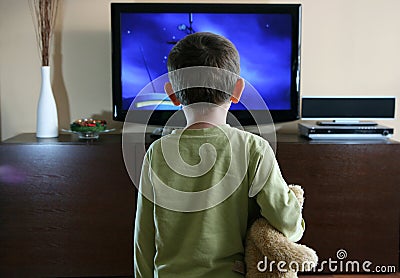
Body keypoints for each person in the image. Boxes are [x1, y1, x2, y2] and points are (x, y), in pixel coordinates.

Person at [134, 32, 304, 278]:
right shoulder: (253, 148)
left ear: (171, 94)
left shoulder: (157, 152)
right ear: (237, 90)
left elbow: (144, 236)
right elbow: (288, 224)